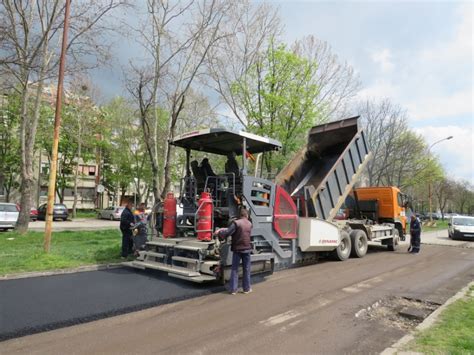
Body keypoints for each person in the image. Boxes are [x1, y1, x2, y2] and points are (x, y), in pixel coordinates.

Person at [214, 208, 252, 295]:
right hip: (247, 249)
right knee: (246, 269)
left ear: (240, 215)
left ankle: (233, 290)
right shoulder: (249, 224)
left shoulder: (236, 223)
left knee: (235, 269)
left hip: (237, 249)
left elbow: (227, 232)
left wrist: (219, 232)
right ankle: (246, 289)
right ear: (246, 215)